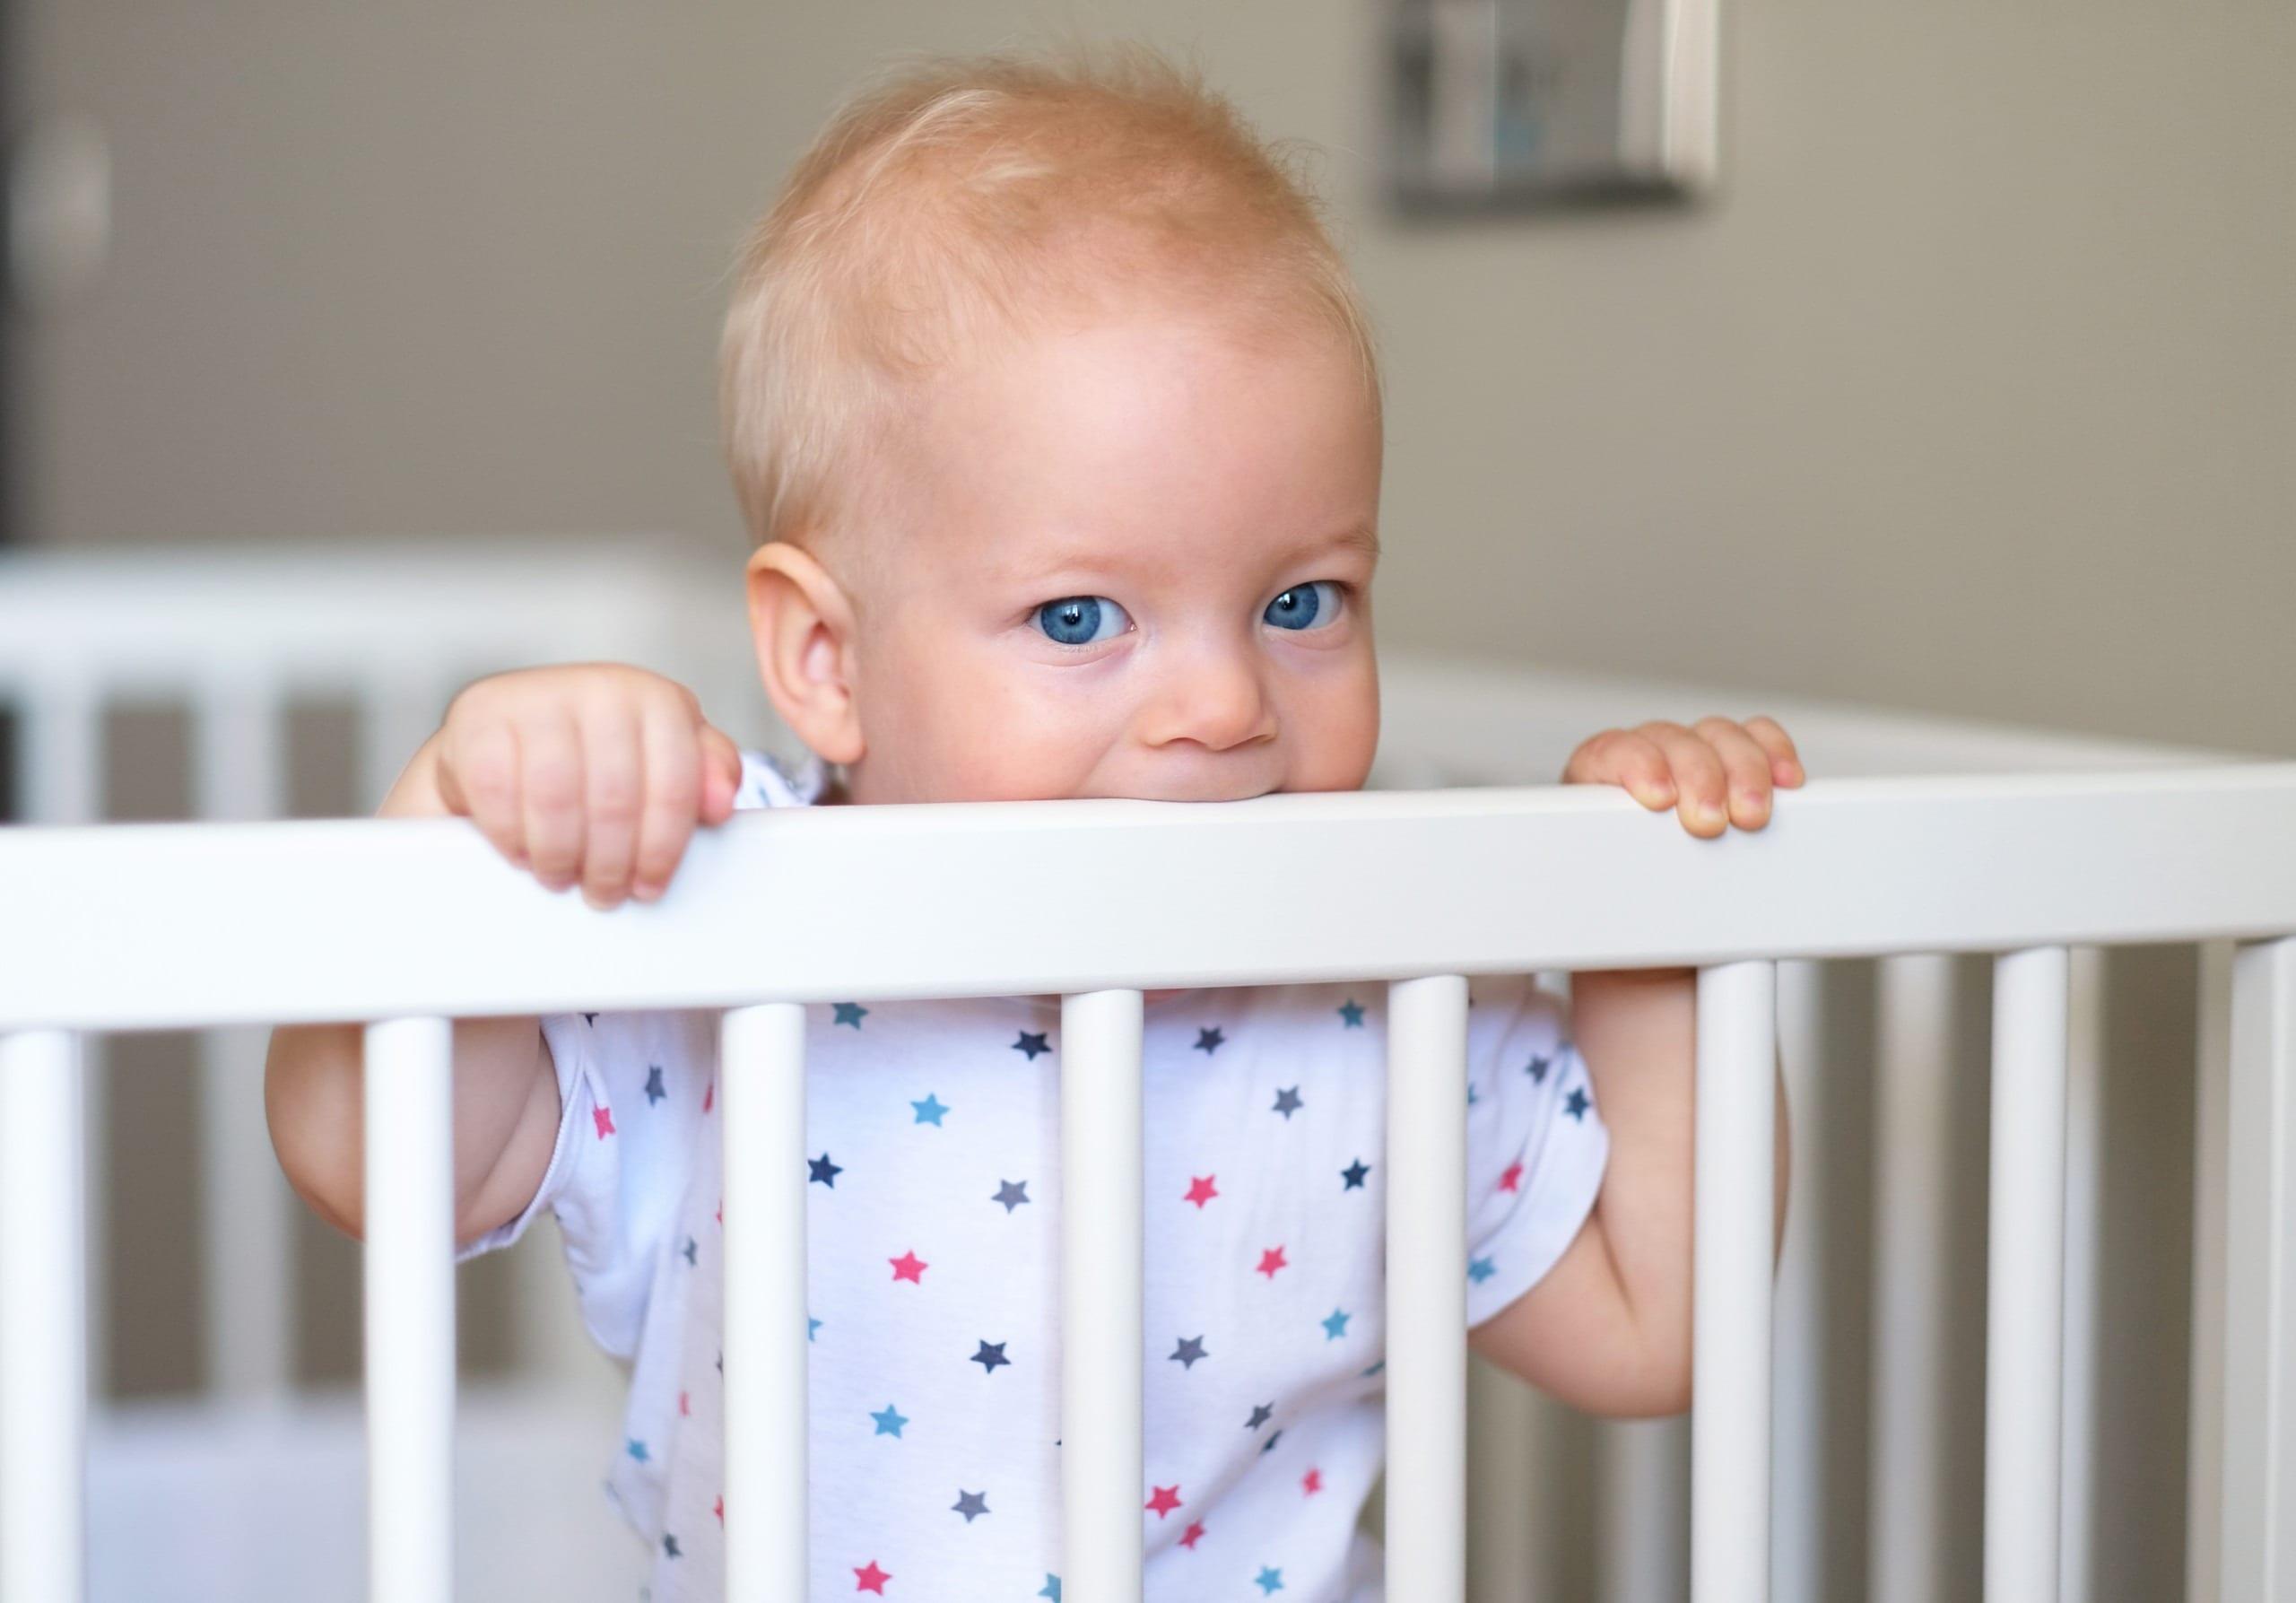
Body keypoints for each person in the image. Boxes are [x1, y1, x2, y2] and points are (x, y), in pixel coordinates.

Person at [266, 39, 1798, 1602]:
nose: (1226, 704)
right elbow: (376, 1157)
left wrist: (1648, 921)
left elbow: (1648, 1322)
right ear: (826, 660)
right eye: (1080, 618)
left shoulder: (1386, 997)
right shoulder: (734, 938)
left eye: (1299, 600)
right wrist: (468, 810)